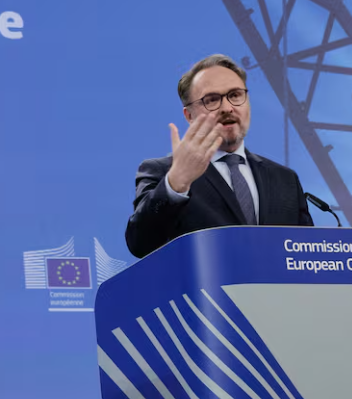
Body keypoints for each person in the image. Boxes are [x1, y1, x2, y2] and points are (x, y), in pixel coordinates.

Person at [125, 54, 312, 258]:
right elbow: (140, 243)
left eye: (235, 95)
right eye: (212, 100)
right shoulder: (163, 172)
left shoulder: (286, 179)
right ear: (189, 115)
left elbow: (308, 256)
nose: (227, 108)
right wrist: (176, 184)